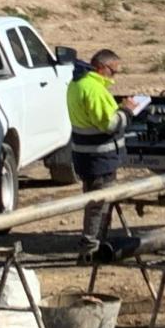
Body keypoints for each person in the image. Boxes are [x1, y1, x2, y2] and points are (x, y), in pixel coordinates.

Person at [66, 49, 145, 259]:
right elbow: (109, 124)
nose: (114, 76)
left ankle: (97, 243)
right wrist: (127, 111)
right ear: (102, 68)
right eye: (113, 71)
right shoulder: (93, 89)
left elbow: (98, 116)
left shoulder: (79, 84)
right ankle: (91, 248)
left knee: (99, 201)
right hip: (99, 157)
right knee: (97, 203)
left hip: (87, 155)